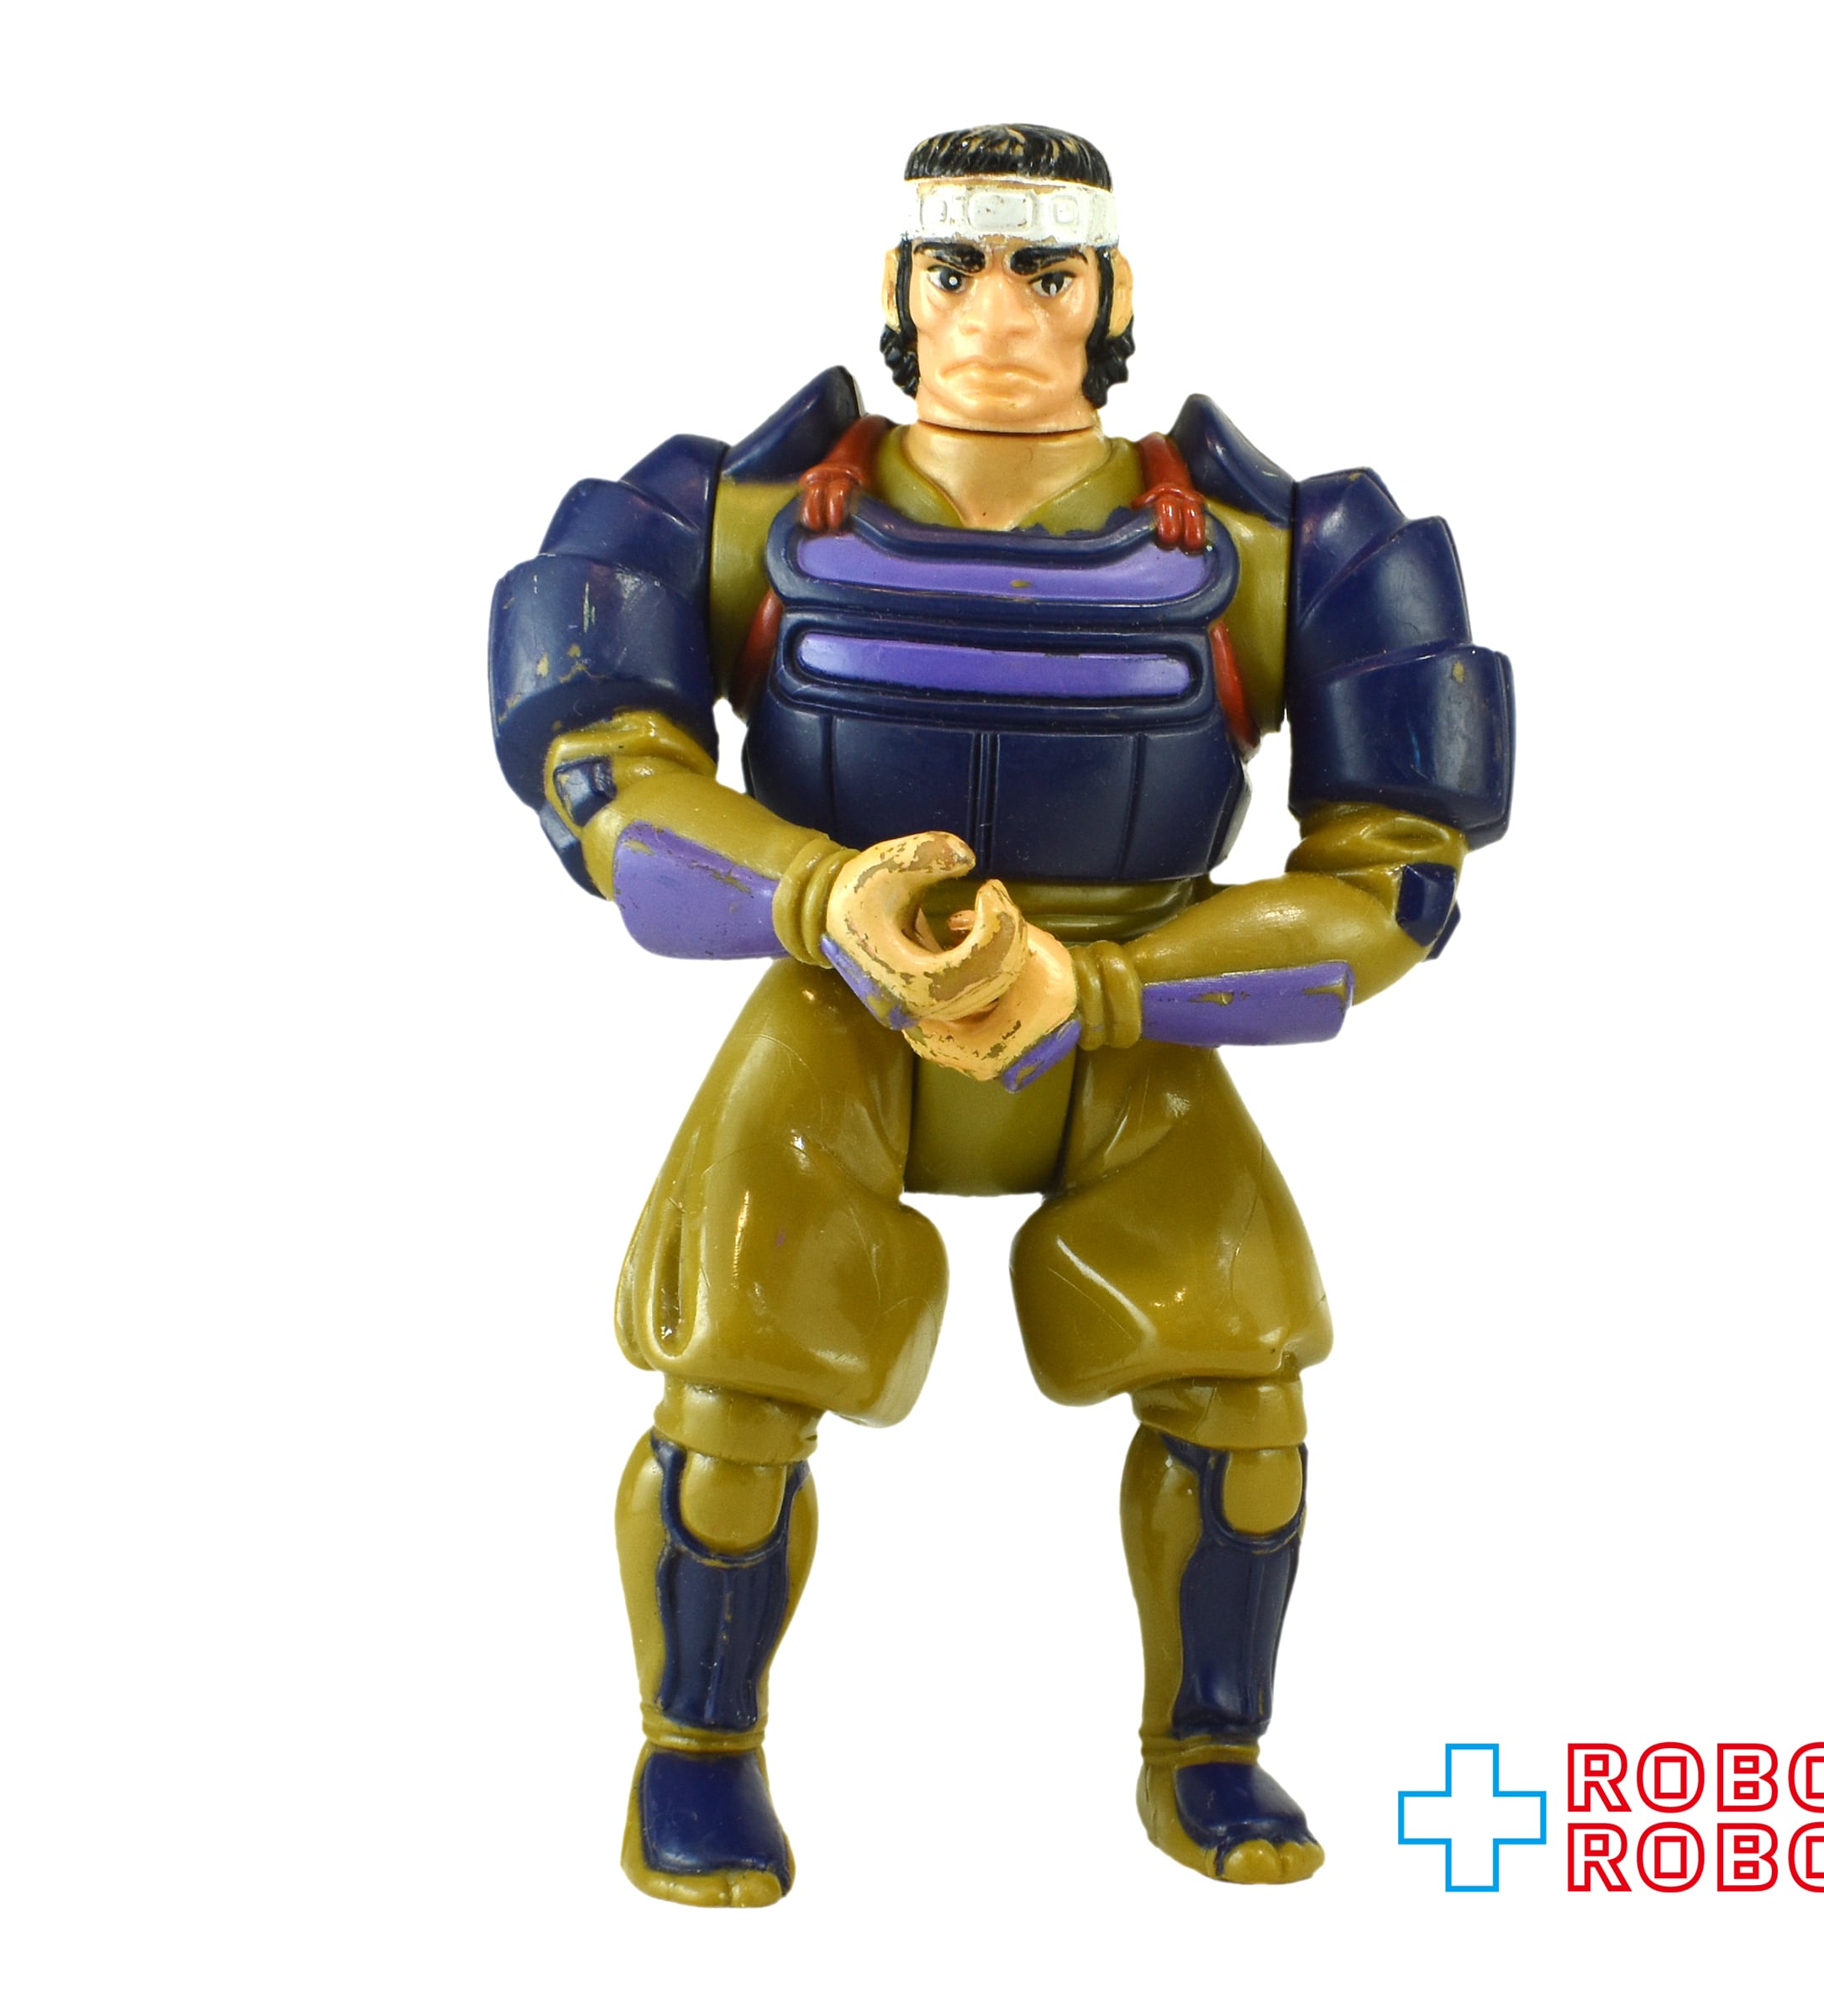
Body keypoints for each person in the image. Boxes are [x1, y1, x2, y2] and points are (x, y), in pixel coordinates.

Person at [488, 122, 1513, 1905]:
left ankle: (1208, 1751)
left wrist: (1106, 984)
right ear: (898, 285)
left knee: (1243, 1399)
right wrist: (817, 896)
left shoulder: (1285, 546)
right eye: (957, 266)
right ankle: (697, 1754)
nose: (1000, 313)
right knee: (732, 1390)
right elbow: (598, 764)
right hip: (840, 1005)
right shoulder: (734, 516)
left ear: (1114, 295)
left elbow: (1396, 877)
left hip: (1122, 1023)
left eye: (1047, 269)